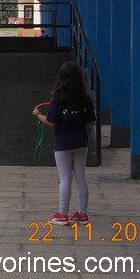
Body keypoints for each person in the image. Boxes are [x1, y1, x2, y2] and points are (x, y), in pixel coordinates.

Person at [32, 60, 96, 225]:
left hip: (63, 144)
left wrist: (37, 114)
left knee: (65, 178)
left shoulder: (58, 98)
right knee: (80, 177)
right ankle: (82, 214)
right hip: (81, 142)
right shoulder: (85, 99)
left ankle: (62, 214)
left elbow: (51, 122)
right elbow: (91, 122)